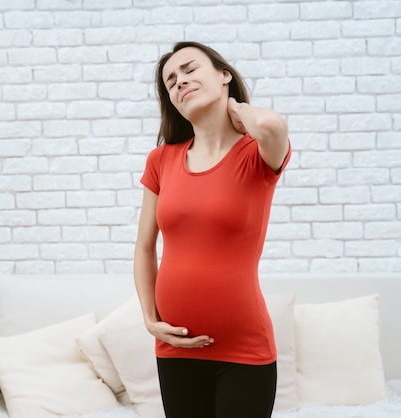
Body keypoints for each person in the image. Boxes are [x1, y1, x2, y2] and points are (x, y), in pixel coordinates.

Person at [134, 41, 291, 418]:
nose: (179, 82)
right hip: (175, 350)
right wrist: (150, 320)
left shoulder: (256, 152)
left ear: (224, 75)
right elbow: (144, 247)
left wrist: (234, 107)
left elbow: (270, 123)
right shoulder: (161, 160)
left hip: (243, 351)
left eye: (189, 69)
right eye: (170, 81)